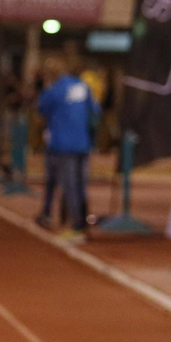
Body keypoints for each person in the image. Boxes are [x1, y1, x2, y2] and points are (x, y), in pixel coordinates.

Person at [35, 56, 100, 242]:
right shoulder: (82, 86)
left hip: (63, 145)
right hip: (83, 144)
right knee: (80, 185)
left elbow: (41, 110)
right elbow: (95, 112)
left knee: (70, 186)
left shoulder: (54, 91)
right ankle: (81, 224)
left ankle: (76, 227)